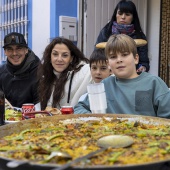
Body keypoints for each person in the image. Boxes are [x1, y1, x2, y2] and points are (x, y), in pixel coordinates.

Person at [74, 34, 170, 119]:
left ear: (136, 59)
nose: (119, 60)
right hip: (110, 136)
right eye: (113, 57)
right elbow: (79, 108)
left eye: (124, 55)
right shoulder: (104, 85)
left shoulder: (154, 83)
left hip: (147, 137)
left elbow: (167, 118)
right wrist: (97, 120)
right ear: (108, 63)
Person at [37, 37, 92, 110]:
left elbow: (95, 69)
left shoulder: (84, 71)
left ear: (71, 58)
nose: (59, 59)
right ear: (50, 57)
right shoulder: (47, 76)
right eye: (55, 54)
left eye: (65, 55)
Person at [95, 0, 150, 72]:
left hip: (131, 77)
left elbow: (144, 62)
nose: (123, 17)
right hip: (109, 74)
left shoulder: (139, 36)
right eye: (120, 13)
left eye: (127, 14)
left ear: (133, 17)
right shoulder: (106, 32)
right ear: (116, 15)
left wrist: (143, 68)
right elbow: (97, 54)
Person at [0, 32, 40, 108]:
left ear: (26, 50)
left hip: (32, 118)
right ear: (5, 52)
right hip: (6, 118)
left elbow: (41, 106)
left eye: (19, 48)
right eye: (10, 49)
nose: (14, 53)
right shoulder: (1, 72)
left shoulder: (40, 72)